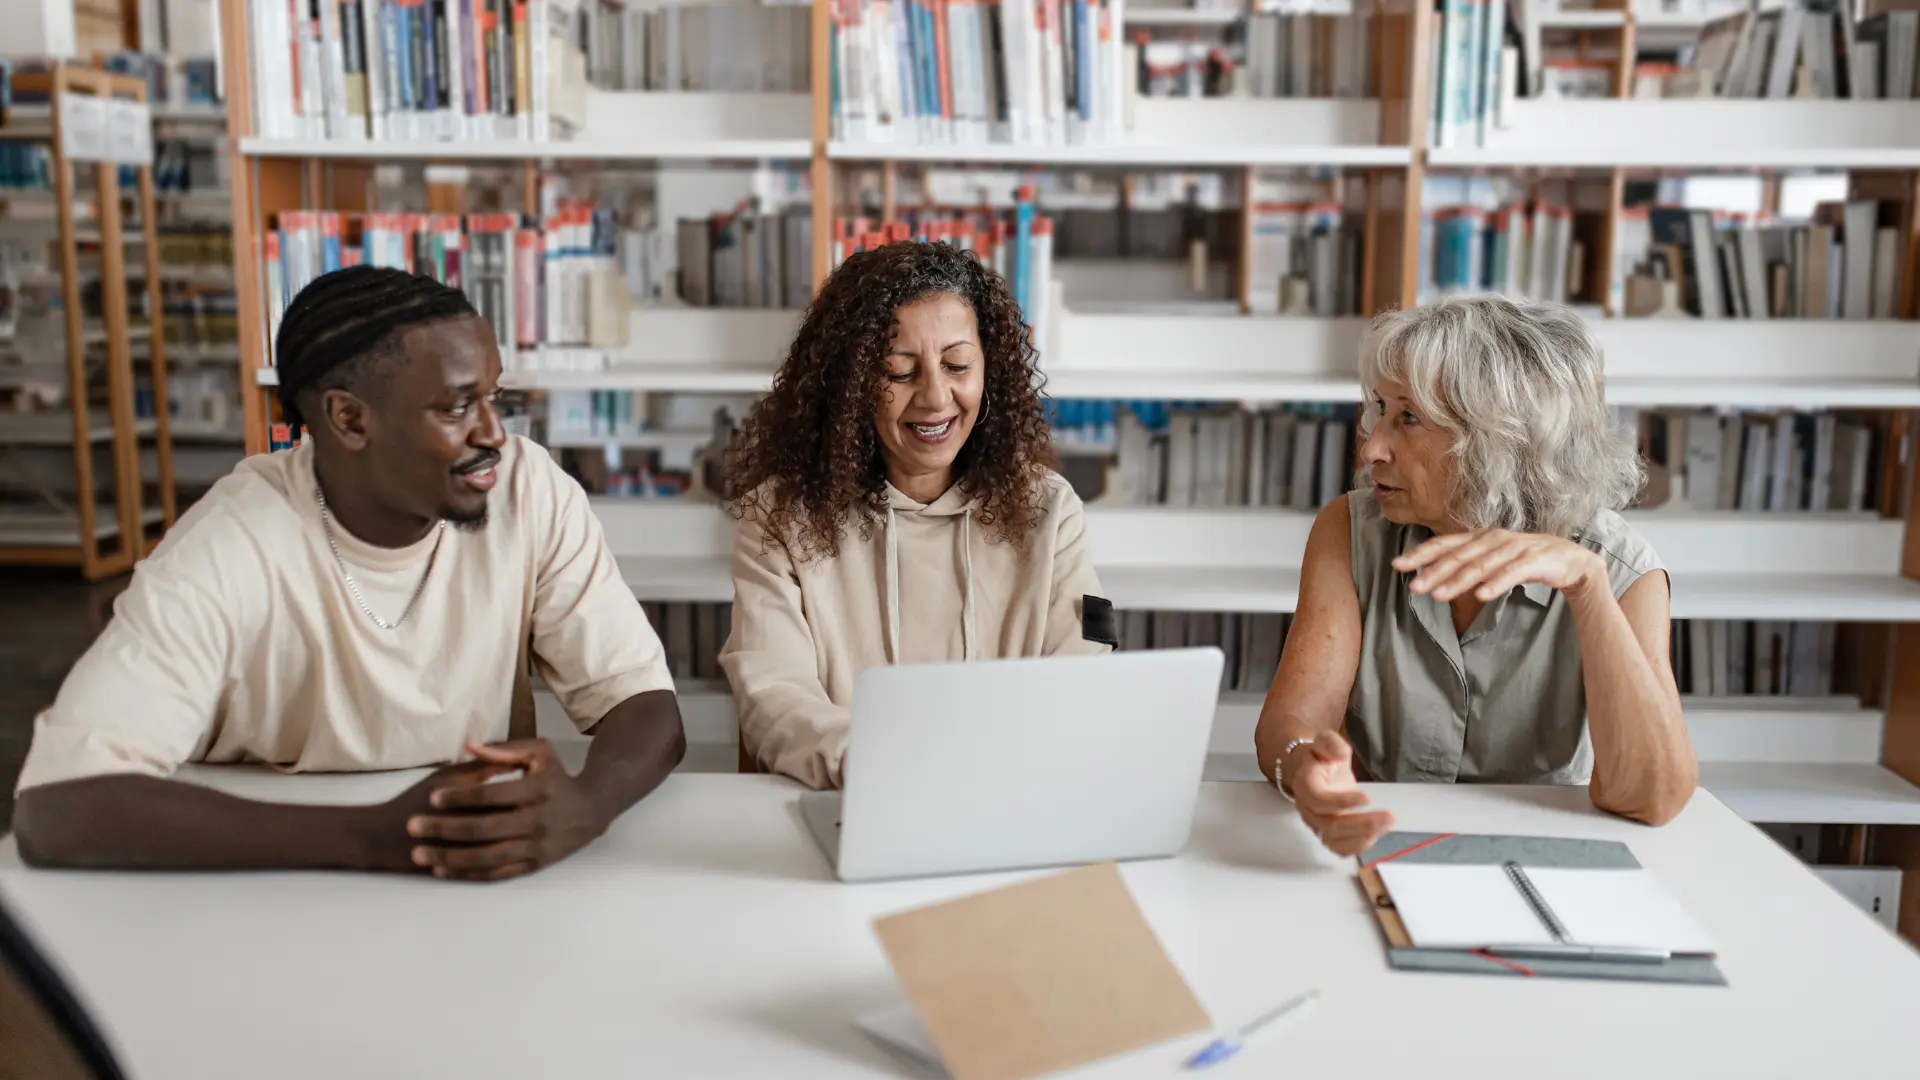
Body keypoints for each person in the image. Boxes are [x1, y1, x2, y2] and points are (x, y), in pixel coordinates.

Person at [12, 267, 686, 881]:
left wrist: (588, 805)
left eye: (494, 398)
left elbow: (644, 705)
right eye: (456, 407)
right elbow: (58, 806)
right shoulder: (230, 542)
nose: (494, 434)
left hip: (471, 892)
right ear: (349, 418)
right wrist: (369, 837)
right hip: (257, 894)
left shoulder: (528, 489)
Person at [1253, 295, 1697, 856]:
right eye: (1380, 411)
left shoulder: (1620, 569)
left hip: (1549, 858)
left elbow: (1653, 797)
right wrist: (1304, 772)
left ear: (1500, 441)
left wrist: (1587, 589)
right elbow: (1291, 721)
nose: (1372, 448)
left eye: (1408, 418)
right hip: (1383, 847)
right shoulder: (1351, 530)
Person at [720, 240, 1110, 789]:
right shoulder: (782, 516)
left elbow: (1084, 673)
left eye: (956, 365)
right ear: (852, 383)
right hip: (851, 802)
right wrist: (870, 762)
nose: (934, 396)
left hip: (1010, 801)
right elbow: (772, 693)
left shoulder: (1050, 511)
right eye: (899, 372)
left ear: (988, 372)